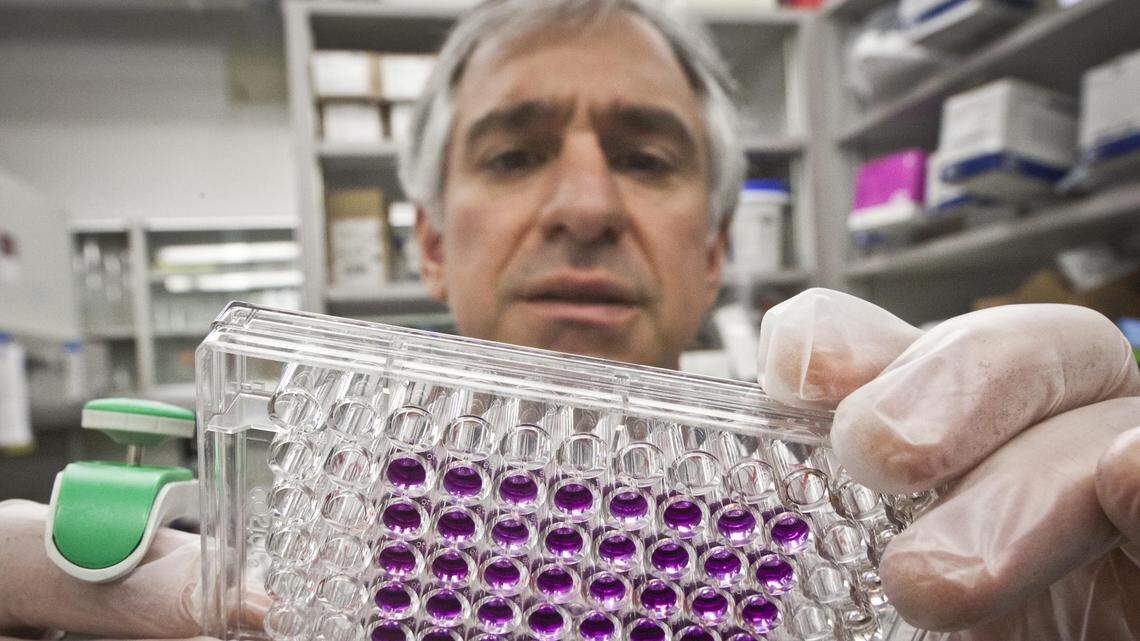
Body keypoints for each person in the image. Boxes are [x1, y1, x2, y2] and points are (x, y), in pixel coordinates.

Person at [1, 1, 1137, 640]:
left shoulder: (874, 550)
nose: (586, 207)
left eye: (646, 157)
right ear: (431, 238)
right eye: (515, 151)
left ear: (715, 249)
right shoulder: (287, 560)